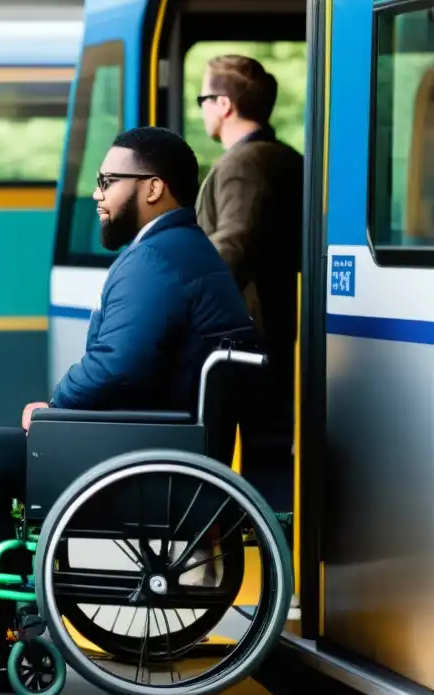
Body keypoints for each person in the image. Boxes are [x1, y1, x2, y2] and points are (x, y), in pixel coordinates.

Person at [0, 126, 256, 664]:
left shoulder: (156, 260)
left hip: (149, 456)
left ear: (152, 188)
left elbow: (118, 365)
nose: (97, 194)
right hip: (171, 442)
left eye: (107, 181)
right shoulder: (183, 249)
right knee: (6, 445)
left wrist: (57, 407)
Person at [194, 54, 303, 436]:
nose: (202, 109)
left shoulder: (243, 164)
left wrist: (188, 300)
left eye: (203, 99)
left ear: (224, 105)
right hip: (276, 330)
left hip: (248, 337)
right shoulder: (286, 157)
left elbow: (232, 245)